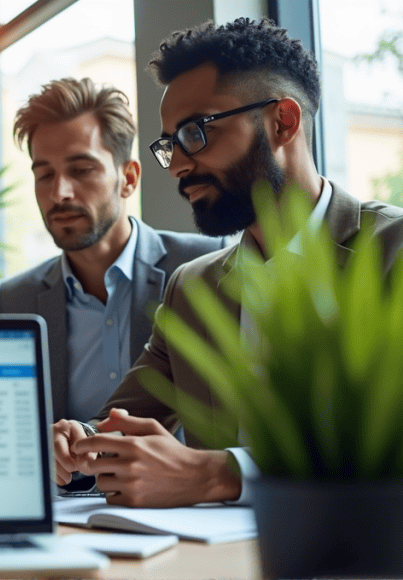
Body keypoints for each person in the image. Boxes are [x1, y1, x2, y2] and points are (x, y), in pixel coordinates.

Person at [53, 18, 403, 507]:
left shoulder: (392, 252)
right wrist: (77, 449)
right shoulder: (192, 287)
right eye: (169, 143)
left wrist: (221, 473)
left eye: (195, 132)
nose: (176, 164)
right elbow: (116, 430)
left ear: (283, 121)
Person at [0, 79, 223, 458]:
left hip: (179, 508)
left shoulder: (203, 268)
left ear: (128, 178)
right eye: (44, 174)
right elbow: (7, 435)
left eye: (81, 170)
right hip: (67, 509)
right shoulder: (15, 299)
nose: (59, 193)